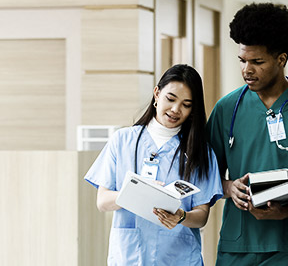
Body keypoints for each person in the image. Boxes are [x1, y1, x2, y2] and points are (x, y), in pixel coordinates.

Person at [206, 2, 288, 266]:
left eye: (257, 62)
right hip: (238, 243)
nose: (247, 70)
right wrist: (229, 187)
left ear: (281, 59)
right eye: (242, 60)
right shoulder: (226, 109)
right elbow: (205, 176)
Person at [84, 64, 223, 265]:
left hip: (179, 258)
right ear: (157, 94)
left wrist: (181, 216)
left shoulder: (201, 152)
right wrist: (137, 191)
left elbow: (202, 215)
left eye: (186, 104)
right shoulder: (122, 140)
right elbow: (103, 201)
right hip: (129, 256)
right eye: (171, 99)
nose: (176, 109)